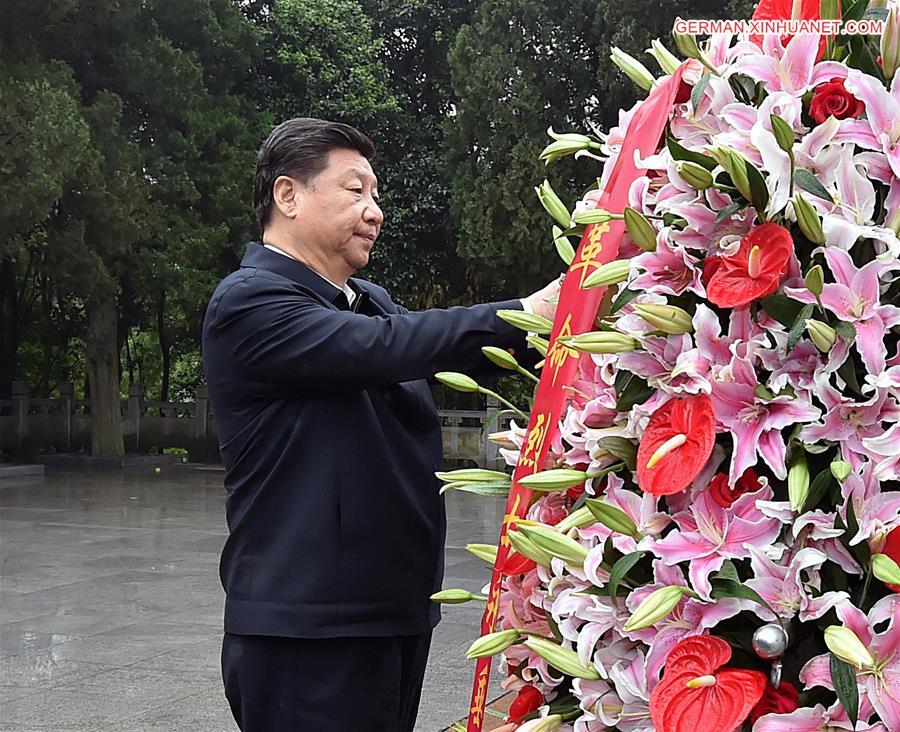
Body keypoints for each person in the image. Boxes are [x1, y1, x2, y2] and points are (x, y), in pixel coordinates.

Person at [202, 117, 560, 731]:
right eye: (355, 190)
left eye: (377, 196)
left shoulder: (367, 301)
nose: (375, 212)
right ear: (288, 196)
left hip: (392, 612)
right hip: (309, 630)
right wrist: (525, 313)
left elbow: (441, 348)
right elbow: (387, 347)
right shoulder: (250, 301)